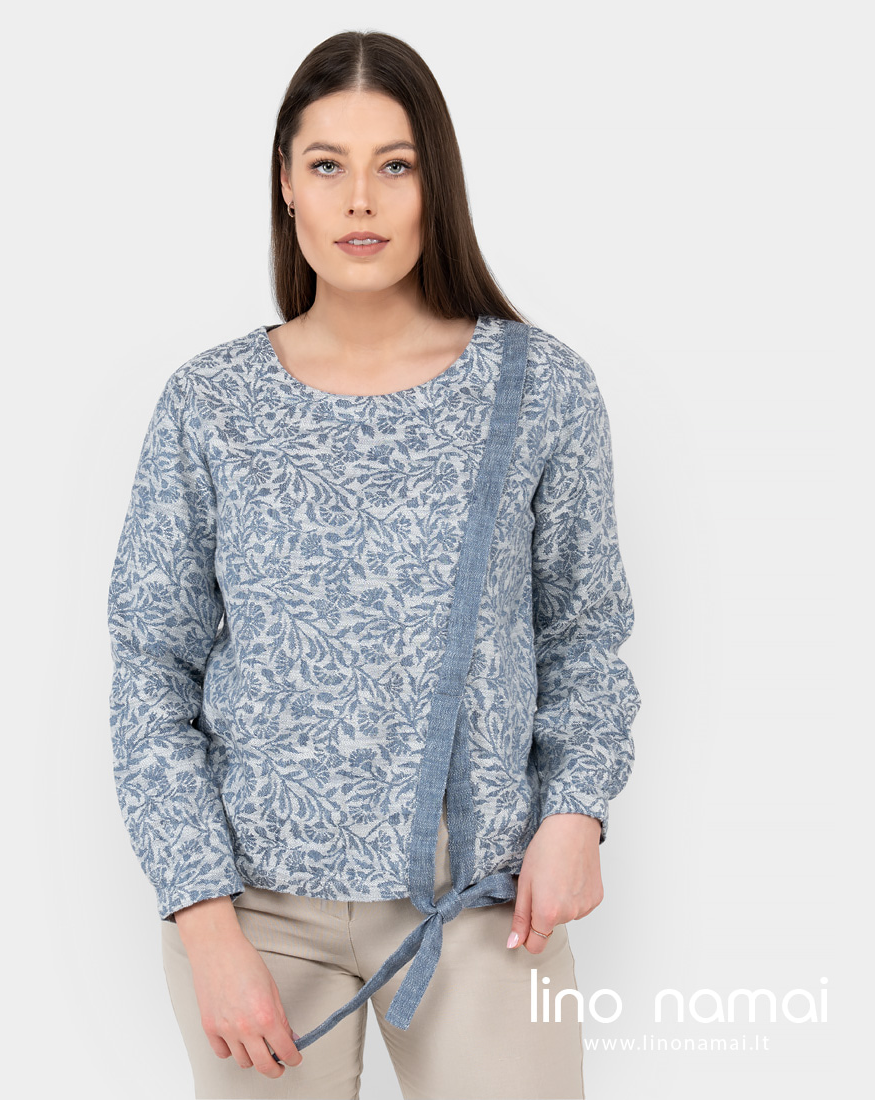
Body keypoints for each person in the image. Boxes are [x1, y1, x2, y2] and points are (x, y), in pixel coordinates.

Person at [107, 29, 640, 1100]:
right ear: (285, 183)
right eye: (327, 164)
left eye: (394, 164)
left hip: (483, 909)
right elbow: (149, 670)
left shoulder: (540, 389)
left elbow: (583, 637)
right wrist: (205, 923)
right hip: (255, 919)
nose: (360, 200)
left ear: (435, 181)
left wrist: (575, 813)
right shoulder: (209, 404)